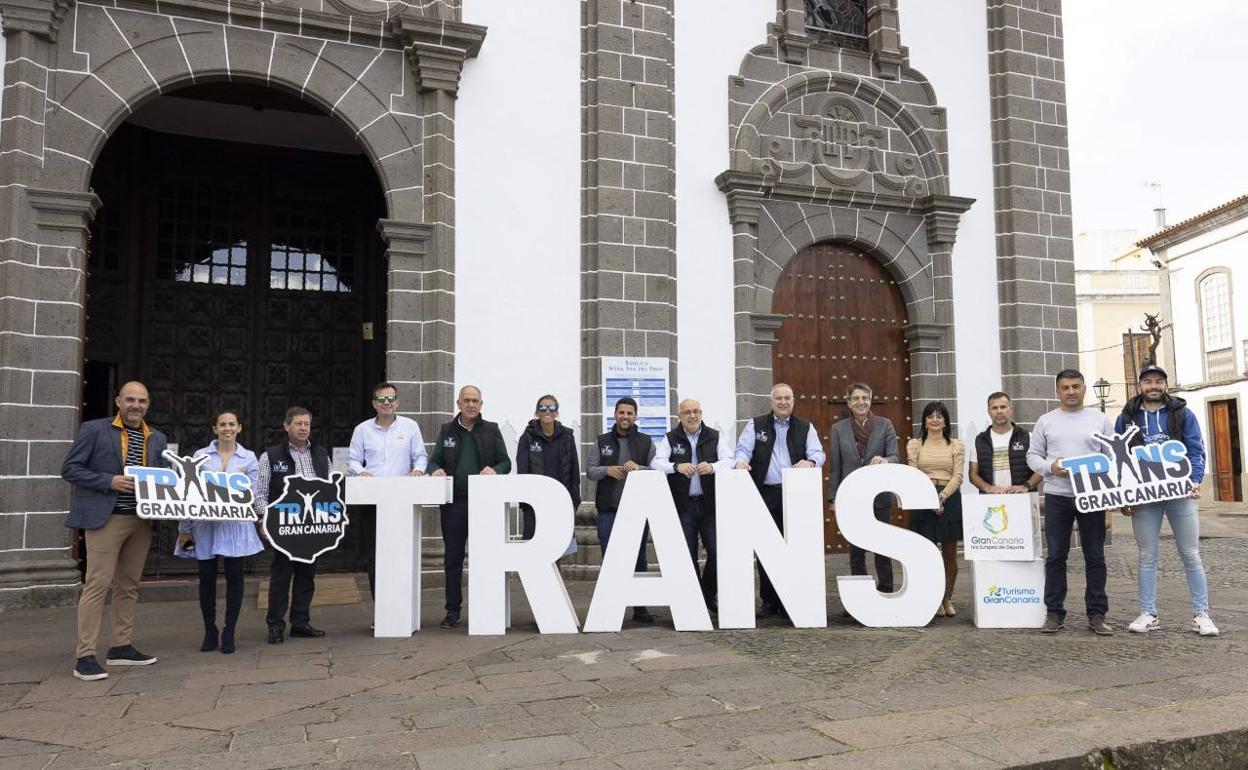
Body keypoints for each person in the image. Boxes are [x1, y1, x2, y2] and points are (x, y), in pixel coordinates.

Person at [62, 381, 166, 681]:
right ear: (118, 401)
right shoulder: (94, 430)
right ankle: (85, 655)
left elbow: (162, 478)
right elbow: (70, 469)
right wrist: (109, 481)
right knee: (97, 585)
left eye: (142, 400)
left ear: (148, 404)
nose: (136, 405)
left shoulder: (157, 438)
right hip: (105, 519)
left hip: (141, 520)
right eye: (130, 399)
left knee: (129, 584)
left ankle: (121, 646)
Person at [1116, 365, 1218, 636]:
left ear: (1166, 384)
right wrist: (1122, 493)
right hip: (1144, 496)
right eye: (1148, 381)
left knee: (1191, 554)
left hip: (1180, 494)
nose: (1153, 386)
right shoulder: (1126, 417)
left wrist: (1194, 479)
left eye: (1158, 381)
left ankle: (1202, 614)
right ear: (1140, 385)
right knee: (1147, 556)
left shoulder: (1183, 413)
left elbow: (1196, 450)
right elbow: (1118, 456)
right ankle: (1149, 613)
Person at [1026, 369, 1116, 636]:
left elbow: (1112, 455)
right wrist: (1050, 467)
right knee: (1055, 556)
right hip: (1057, 496)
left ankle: (1097, 615)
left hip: (1092, 496)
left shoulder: (1100, 419)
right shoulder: (1045, 421)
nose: (1071, 392)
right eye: (1065, 388)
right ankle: (1054, 613)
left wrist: (1101, 472)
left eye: (1076, 386)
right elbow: (1033, 456)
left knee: (1095, 556)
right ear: (1057, 391)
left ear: (1084, 389)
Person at [734, 383, 826, 619]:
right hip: (765, 492)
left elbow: (819, 453)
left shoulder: (806, 427)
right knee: (766, 548)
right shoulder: (756, 425)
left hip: (796, 494)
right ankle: (768, 601)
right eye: (779, 398)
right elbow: (743, 449)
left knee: (793, 547)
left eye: (787, 398)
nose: (783, 402)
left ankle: (789, 600)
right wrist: (741, 462)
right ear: (771, 401)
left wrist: (811, 462)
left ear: (793, 401)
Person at [177, 410, 264, 654]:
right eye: (222, 424)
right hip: (206, 526)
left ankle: (229, 631)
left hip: (235, 526)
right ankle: (209, 630)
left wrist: (262, 519)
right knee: (207, 579)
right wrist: (185, 528)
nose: (227, 428)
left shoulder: (248, 458)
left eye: (232, 424)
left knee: (235, 579)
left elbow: (255, 493)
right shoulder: (200, 456)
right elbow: (188, 492)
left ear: (239, 428)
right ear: (215, 429)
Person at [427, 385, 511, 628]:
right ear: (458, 403)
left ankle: (486, 608)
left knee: (484, 558)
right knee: (452, 559)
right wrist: (435, 470)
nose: (471, 404)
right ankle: (453, 610)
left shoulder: (492, 430)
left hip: (484, 505)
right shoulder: (447, 430)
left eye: (475, 400)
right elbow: (434, 461)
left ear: (481, 404)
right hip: (454, 506)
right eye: (467, 400)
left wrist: (495, 470)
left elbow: (506, 462)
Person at [347, 382, 427, 601]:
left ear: (397, 403)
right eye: (381, 400)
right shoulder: (362, 430)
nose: (386, 403)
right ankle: (380, 608)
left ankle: (401, 603)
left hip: (401, 499)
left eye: (390, 399)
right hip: (373, 499)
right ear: (374, 404)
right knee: (375, 555)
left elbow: (420, 455)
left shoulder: (410, 427)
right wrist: (361, 472)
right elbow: (353, 459)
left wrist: (418, 471)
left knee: (400, 553)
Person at [652, 399, 734, 612]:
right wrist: (676, 466)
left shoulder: (714, 436)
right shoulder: (671, 438)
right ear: (679, 416)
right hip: (684, 505)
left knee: (717, 552)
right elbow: (656, 462)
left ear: (701, 413)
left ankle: (706, 593)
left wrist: (714, 467)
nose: (692, 416)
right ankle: (693, 599)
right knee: (687, 554)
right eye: (687, 412)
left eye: (696, 411)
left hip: (709, 505)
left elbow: (730, 460)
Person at [257, 406, 329, 644]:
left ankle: (300, 622)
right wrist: (263, 519)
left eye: (306, 424)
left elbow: (331, 489)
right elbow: (260, 492)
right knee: (280, 577)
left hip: (312, 527)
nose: (303, 428)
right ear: (286, 426)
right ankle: (275, 625)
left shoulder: (320, 454)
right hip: (283, 527)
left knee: (306, 577)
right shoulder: (271, 455)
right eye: (298, 424)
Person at [587, 397, 657, 623]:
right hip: (608, 508)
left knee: (638, 558)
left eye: (629, 413)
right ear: (615, 414)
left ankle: (640, 607)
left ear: (635, 416)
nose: (625, 416)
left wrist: (640, 468)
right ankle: (610, 604)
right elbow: (589, 470)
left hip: (637, 508)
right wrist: (606, 470)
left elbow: (658, 470)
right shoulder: (602, 441)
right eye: (621, 412)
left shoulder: (646, 442)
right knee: (610, 558)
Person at [827, 383, 899, 598]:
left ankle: (886, 590)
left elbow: (896, 457)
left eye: (865, 398)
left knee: (882, 547)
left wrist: (885, 459)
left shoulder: (885, 425)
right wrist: (833, 498)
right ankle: (861, 595)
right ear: (849, 403)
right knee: (856, 549)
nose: (861, 402)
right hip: (852, 498)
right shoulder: (838, 429)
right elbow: (836, 466)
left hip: (879, 497)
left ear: (870, 400)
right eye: (856, 398)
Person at [906, 401, 966, 618]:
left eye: (939, 416)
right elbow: (913, 472)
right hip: (923, 500)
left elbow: (958, 475)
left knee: (950, 553)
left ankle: (946, 597)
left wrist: (941, 496)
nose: (935, 420)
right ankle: (931, 599)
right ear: (924, 420)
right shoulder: (914, 444)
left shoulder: (956, 445)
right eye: (930, 416)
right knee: (927, 553)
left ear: (945, 421)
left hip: (948, 498)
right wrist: (929, 496)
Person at [515, 394, 580, 540]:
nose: (547, 411)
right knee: (533, 545)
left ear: (556, 412)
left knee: (560, 544)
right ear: (537, 412)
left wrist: (575, 501)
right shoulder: (527, 438)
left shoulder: (567, 437)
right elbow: (522, 472)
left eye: (551, 408)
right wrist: (525, 502)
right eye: (542, 408)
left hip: (561, 501)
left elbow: (574, 471)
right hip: (535, 502)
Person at [969, 392, 1041, 495]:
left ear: (1011, 409)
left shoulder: (1028, 437)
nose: (999, 411)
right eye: (994, 408)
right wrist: (988, 488)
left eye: (1003, 407)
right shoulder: (979, 441)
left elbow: (1040, 469)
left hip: (1022, 499)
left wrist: (1025, 487)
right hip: (991, 500)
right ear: (989, 411)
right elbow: (973, 475)